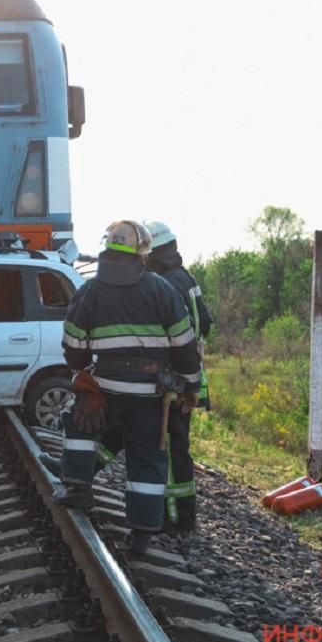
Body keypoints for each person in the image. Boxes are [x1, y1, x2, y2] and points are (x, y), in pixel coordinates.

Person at [51, 220, 201, 555]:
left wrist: (81, 372)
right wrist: (190, 385)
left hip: (106, 387)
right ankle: (142, 532)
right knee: (147, 457)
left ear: (107, 250)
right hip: (152, 393)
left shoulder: (90, 290)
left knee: (79, 423)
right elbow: (184, 344)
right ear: (142, 254)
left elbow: (73, 343)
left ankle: (78, 488)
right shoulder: (162, 290)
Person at [143, 220, 213, 533]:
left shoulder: (163, 283)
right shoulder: (185, 277)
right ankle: (182, 513)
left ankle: (177, 517)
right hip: (190, 375)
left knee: (171, 448)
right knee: (177, 444)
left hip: (174, 380)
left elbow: (172, 335)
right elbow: (205, 322)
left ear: (154, 253)